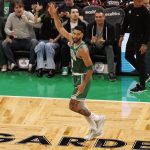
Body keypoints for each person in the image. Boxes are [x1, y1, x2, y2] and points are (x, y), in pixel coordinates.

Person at [48, 3, 105, 141]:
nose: (74, 35)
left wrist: (83, 85)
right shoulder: (71, 39)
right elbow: (60, 27)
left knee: (73, 106)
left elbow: (91, 69)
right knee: (81, 106)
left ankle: (98, 118)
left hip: (83, 78)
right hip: (76, 77)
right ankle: (94, 130)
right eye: (74, 33)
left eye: (78, 34)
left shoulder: (82, 49)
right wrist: (54, 14)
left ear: (82, 35)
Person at [118, 0, 150, 93]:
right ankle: (145, 75)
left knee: (141, 60)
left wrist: (145, 43)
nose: (140, 1)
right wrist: (121, 35)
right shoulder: (129, 8)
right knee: (128, 56)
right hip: (131, 37)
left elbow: (148, 29)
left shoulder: (145, 12)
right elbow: (125, 23)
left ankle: (142, 85)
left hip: (141, 39)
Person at [2, 0, 38, 72]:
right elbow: (6, 28)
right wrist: (10, 32)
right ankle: (13, 63)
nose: (19, 9)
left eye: (20, 7)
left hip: (28, 40)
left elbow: (37, 24)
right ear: (14, 9)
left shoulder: (28, 14)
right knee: (4, 43)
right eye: (16, 8)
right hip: (16, 41)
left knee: (35, 42)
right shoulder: (11, 16)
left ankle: (31, 64)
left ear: (23, 8)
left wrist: (27, 21)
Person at [85, 11, 116, 81]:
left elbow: (112, 41)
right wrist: (91, 41)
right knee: (86, 47)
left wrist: (105, 41)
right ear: (94, 18)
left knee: (110, 47)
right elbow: (86, 39)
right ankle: (87, 70)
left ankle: (111, 72)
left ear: (104, 17)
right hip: (94, 47)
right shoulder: (90, 26)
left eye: (100, 17)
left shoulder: (110, 27)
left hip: (104, 47)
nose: (98, 19)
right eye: (96, 17)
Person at [34, 3, 60, 78]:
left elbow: (61, 33)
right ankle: (40, 68)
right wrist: (37, 12)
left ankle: (51, 69)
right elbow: (35, 21)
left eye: (52, 7)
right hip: (43, 40)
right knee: (41, 44)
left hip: (54, 42)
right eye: (49, 7)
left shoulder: (58, 19)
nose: (50, 9)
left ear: (55, 9)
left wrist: (55, 40)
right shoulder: (44, 16)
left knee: (48, 45)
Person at [60, 7, 87, 76]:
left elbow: (86, 37)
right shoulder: (65, 24)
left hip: (80, 43)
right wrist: (68, 42)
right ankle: (65, 67)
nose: (75, 14)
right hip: (69, 43)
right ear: (70, 14)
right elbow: (62, 38)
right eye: (73, 12)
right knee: (64, 47)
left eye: (77, 12)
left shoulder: (84, 24)